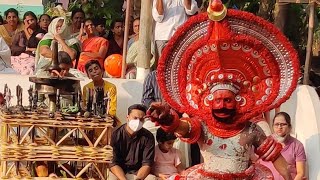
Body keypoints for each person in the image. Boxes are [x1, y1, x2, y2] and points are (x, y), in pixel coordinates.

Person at [146, 1, 300, 179]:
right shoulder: (203, 126)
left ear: (238, 101)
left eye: (227, 100)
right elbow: (183, 128)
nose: (222, 106)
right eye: (217, 101)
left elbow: (275, 157)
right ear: (209, 101)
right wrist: (166, 118)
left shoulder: (251, 130)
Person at [109, 104, 156, 180]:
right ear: (127, 117)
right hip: (119, 172)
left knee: (152, 178)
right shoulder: (115, 134)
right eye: (135, 118)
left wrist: (138, 179)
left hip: (137, 173)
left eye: (141, 119)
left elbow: (147, 164)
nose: (138, 122)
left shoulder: (148, 137)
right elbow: (112, 162)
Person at [259, 112, 307, 180]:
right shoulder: (266, 142)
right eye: (276, 124)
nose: (279, 127)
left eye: (283, 124)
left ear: (289, 126)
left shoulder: (297, 145)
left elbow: (300, 173)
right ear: (272, 126)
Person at [152, 0, 198, 66]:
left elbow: (191, 10)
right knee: (164, 66)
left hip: (180, 37)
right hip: (164, 37)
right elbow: (158, 17)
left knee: (180, 65)